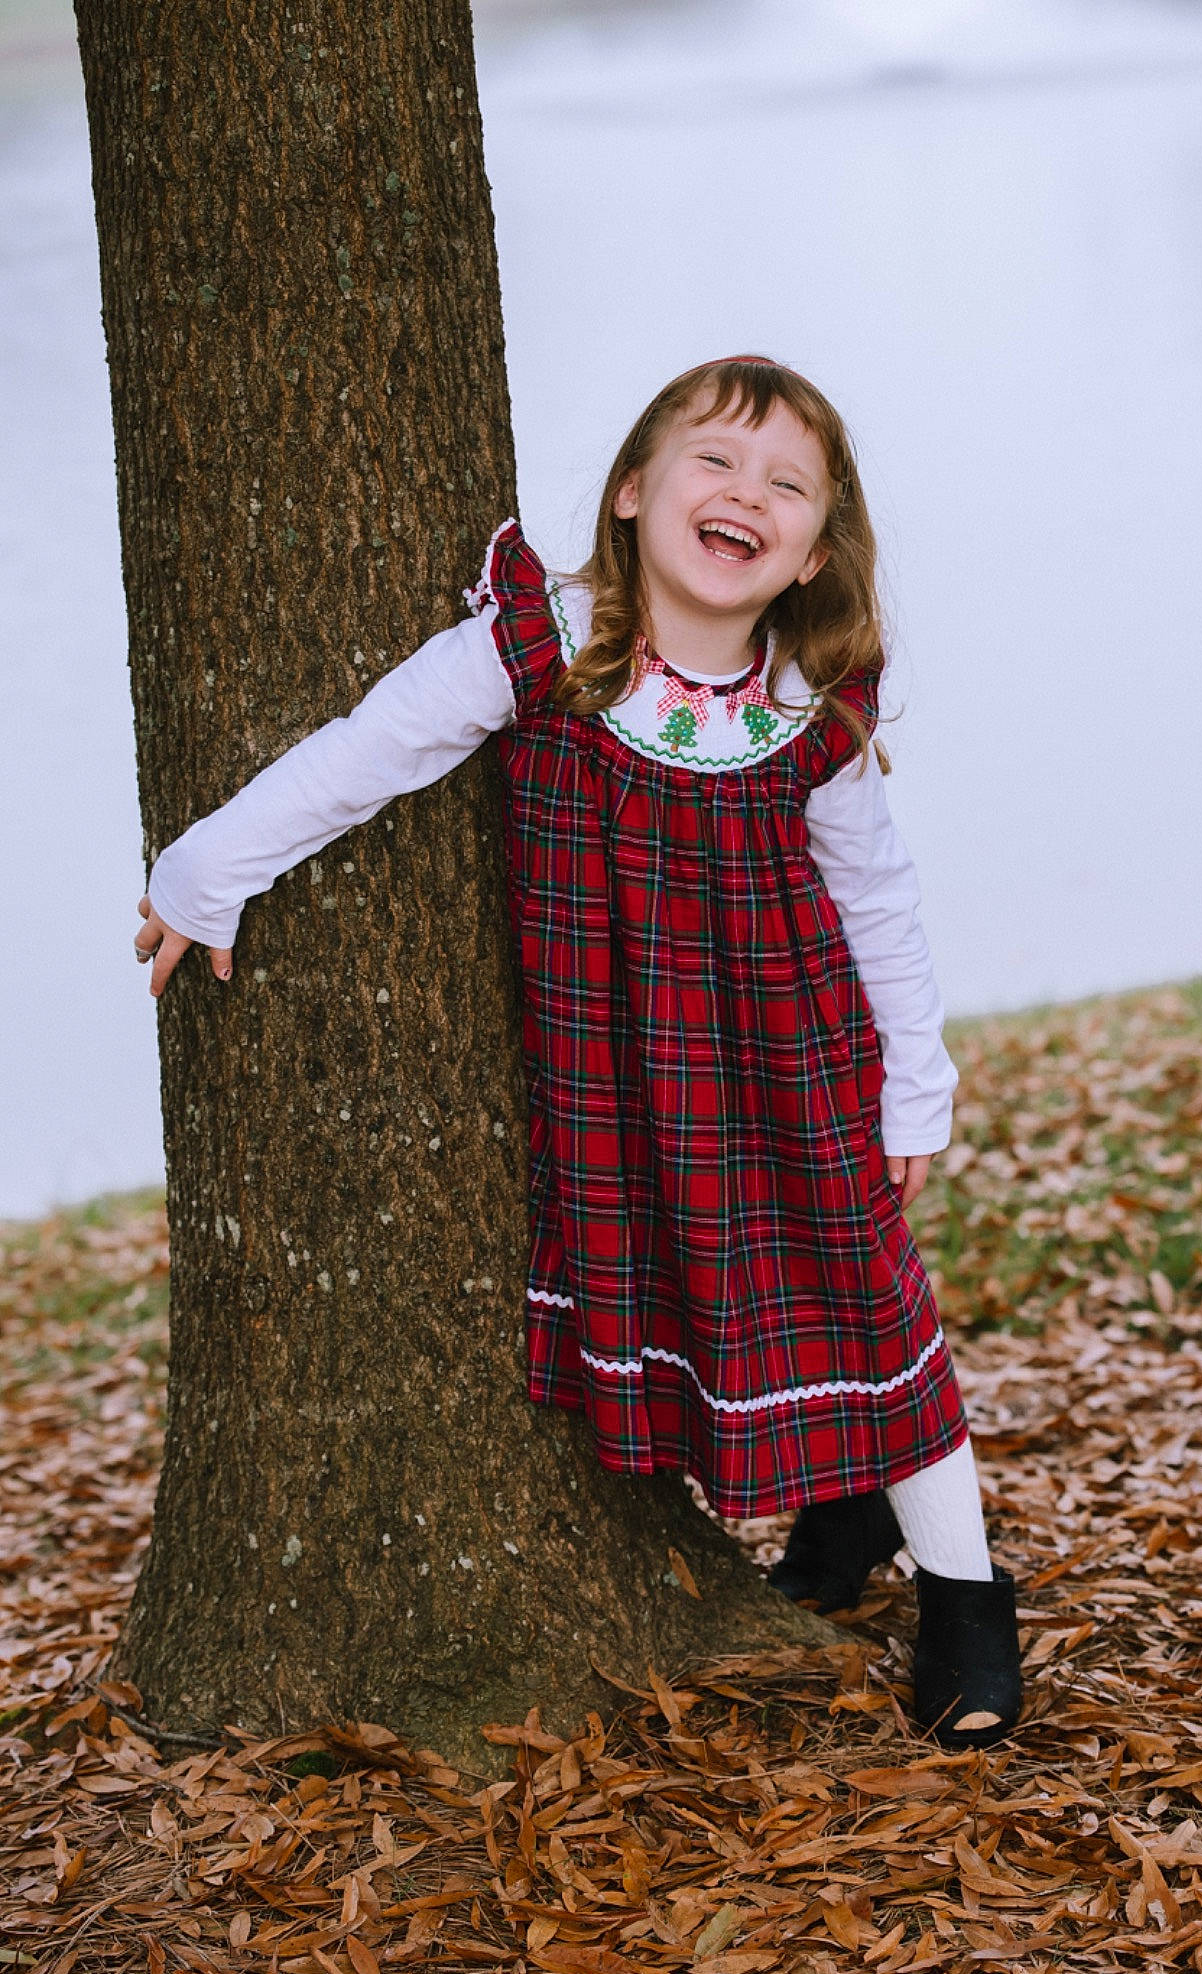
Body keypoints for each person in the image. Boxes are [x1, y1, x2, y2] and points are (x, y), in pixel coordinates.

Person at [133, 356, 1023, 1749]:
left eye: (788, 487)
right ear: (630, 491)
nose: (747, 498)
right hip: (627, 1078)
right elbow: (373, 749)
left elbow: (876, 898)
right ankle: (845, 1504)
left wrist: (917, 1082)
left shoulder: (812, 698)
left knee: (868, 1307)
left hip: (796, 1062)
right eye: (715, 465)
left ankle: (967, 1600)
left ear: (810, 553)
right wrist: (207, 867)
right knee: (696, 1297)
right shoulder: (546, 646)